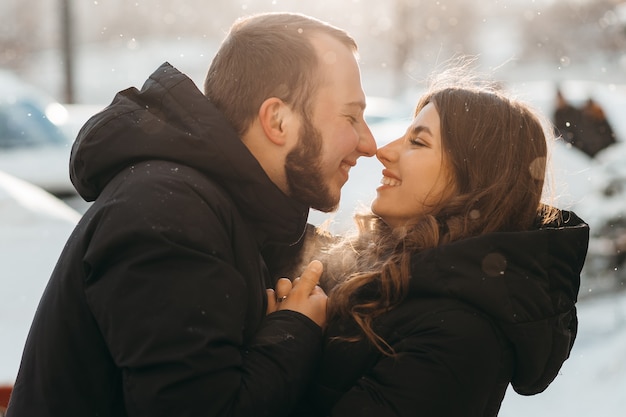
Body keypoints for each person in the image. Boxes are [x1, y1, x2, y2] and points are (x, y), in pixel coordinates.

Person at [7, 12, 376, 417]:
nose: (369, 143)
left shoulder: (224, 212)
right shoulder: (169, 214)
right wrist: (294, 331)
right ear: (277, 120)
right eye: (350, 116)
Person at [290, 71, 590, 417]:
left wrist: (292, 338)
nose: (384, 151)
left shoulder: (461, 339)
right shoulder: (382, 267)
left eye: (417, 142)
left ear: (472, 179)